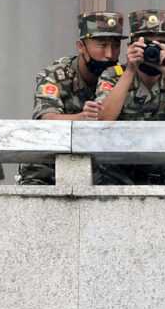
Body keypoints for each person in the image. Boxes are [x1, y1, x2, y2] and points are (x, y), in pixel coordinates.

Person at [94, 9, 165, 185]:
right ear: (131, 47)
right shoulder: (113, 76)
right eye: (146, 45)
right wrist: (130, 70)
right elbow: (103, 120)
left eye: (160, 45)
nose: (152, 51)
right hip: (118, 181)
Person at [16, 11, 126, 185]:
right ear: (81, 46)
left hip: (104, 170)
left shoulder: (122, 78)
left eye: (116, 46)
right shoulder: (56, 75)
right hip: (50, 168)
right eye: (102, 45)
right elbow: (47, 119)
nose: (110, 54)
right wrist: (82, 118)